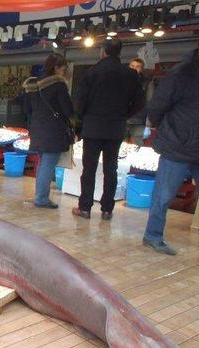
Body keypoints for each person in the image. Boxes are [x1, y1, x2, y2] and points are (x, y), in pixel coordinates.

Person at [72, 39, 145, 220]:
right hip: (116, 128)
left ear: (103, 52)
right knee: (110, 169)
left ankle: (85, 207)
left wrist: (82, 118)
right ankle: (107, 209)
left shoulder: (92, 73)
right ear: (120, 53)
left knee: (89, 169)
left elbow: (80, 102)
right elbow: (139, 103)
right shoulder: (131, 75)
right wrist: (124, 114)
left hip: (93, 127)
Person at [142, 48, 199, 256]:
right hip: (178, 143)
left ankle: (153, 235)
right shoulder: (181, 73)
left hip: (187, 143)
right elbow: (158, 105)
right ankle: (153, 235)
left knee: (163, 193)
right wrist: (159, 125)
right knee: (164, 195)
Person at [23, 53, 75, 209]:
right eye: (63, 69)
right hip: (54, 131)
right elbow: (67, 109)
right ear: (56, 67)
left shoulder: (33, 85)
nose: (64, 73)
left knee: (43, 163)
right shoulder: (58, 84)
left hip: (37, 128)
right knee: (48, 163)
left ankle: (39, 195)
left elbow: (27, 109)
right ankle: (41, 198)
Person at [125, 58, 148, 146]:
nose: (134, 68)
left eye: (138, 67)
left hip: (139, 121)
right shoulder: (121, 81)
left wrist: (148, 123)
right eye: (132, 66)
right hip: (122, 119)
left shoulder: (146, 83)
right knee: (119, 148)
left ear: (141, 69)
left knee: (137, 148)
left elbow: (150, 103)